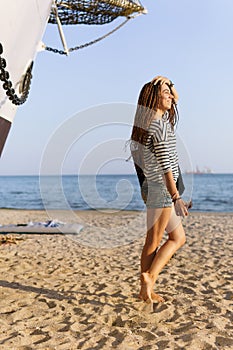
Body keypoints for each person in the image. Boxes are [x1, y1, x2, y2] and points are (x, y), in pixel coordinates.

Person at [130, 75, 190, 303]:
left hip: (156, 189)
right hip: (162, 191)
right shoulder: (159, 127)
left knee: (177, 237)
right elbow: (166, 167)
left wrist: (169, 83)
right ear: (154, 98)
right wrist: (176, 197)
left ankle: (147, 284)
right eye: (164, 93)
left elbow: (176, 98)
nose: (171, 97)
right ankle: (148, 281)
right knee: (153, 241)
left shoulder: (150, 123)